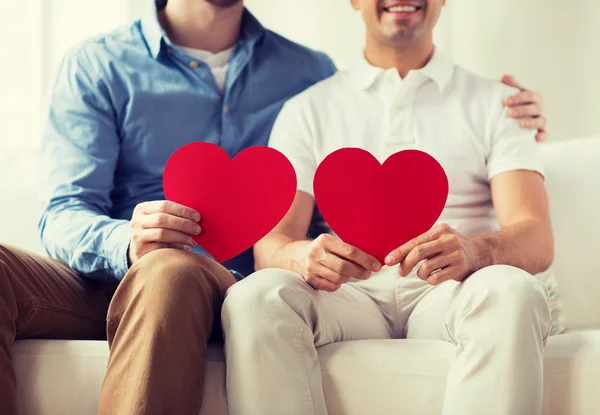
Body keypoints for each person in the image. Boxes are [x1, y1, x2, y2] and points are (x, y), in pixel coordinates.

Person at [0, 0, 548, 413]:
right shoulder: (98, 65)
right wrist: (124, 240)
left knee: (171, 271)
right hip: (104, 273)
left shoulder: (304, 72)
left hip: (198, 277)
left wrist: (518, 115)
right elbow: (66, 210)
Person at [221, 1, 558, 414]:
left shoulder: (502, 103)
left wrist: (475, 251)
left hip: (451, 292)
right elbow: (271, 244)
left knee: (514, 290)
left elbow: (536, 237)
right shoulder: (307, 110)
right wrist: (301, 255)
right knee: (252, 297)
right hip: (347, 295)